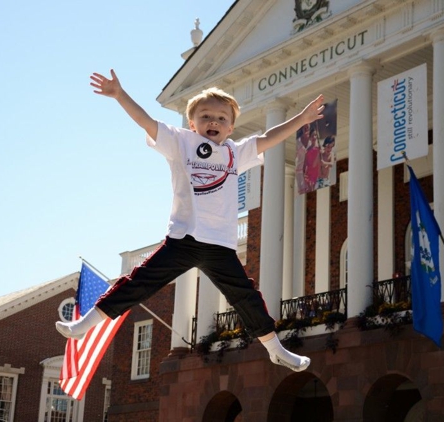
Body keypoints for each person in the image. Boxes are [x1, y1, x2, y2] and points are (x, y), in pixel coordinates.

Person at [56, 69, 324, 372]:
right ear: (192, 123)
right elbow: (146, 121)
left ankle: (275, 349)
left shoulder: (235, 153)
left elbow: (267, 138)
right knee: (138, 282)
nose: (214, 122)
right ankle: (86, 324)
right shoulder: (180, 142)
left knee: (246, 296)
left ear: (231, 126)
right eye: (206, 116)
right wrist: (120, 95)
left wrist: (302, 119)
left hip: (220, 246)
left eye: (222, 118)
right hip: (183, 239)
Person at [295, 124, 310, 194]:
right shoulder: (298, 142)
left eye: (307, 127)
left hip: (308, 171)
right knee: (301, 192)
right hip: (299, 171)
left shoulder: (311, 141)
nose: (306, 129)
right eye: (305, 128)